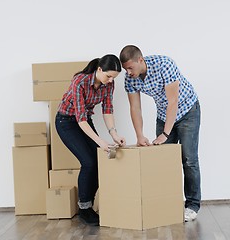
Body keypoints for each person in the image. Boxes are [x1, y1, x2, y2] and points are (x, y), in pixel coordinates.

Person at [119, 45, 201, 222]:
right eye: (125, 68)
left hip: (187, 111)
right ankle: (167, 204)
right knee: (162, 160)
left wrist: (165, 133)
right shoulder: (130, 78)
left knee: (188, 159)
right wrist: (139, 135)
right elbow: (135, 107)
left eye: (130, 67)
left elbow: (173, 101)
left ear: (140, 60)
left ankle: (192, 205)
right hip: (164, 115)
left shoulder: (164, 64)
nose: (128, 71)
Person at [55, 54, 126, 226]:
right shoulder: (80, 81)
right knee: (88, 162)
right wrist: (100, 141)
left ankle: (89, 205)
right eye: (108, 76)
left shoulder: (109, 84)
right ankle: (84, 209)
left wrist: (114, 134)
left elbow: (107, 109)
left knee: (98, 162)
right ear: (99, 69)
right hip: (67, 122)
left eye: (113, 78)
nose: (110, 81)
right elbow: (80, 119)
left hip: (85, 120)